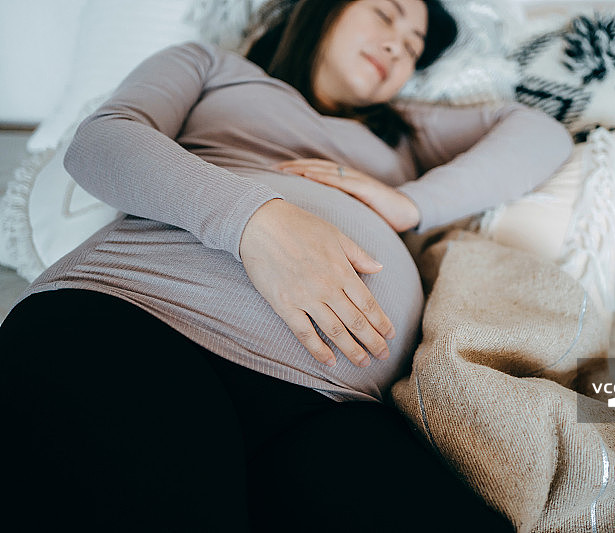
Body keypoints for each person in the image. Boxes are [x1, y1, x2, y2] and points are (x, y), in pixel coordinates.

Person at [0, 0, 573, 530]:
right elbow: (102, 143)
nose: (399, 45)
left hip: (330, 407)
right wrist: (257, 224)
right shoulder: (215, 67)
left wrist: (414, 202)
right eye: (386, 13)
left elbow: (542, 135)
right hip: (137, 321)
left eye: (415, 44)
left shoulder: (404, 132)